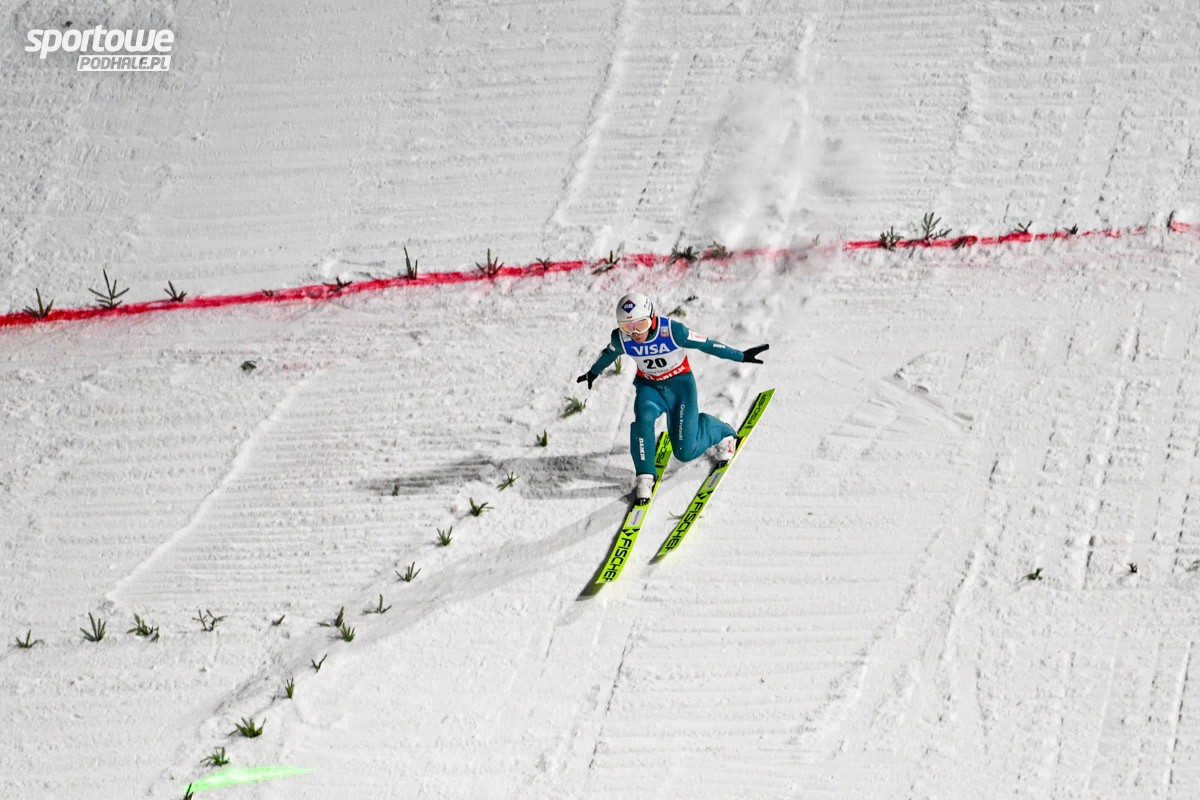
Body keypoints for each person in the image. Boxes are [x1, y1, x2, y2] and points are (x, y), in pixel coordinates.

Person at [576, 291, 769, 502]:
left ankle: (720, 431)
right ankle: (645, 476)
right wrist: (592, 373)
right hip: (650, 387)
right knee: (643, 418)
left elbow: (707, 344)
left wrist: (741, 355)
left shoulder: (673, 331)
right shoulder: (622, 339)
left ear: (652, 318)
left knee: (685, 452)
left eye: (640, 325)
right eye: (627, 327)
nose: (635, 333)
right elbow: (608, 354)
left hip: (680, 388)